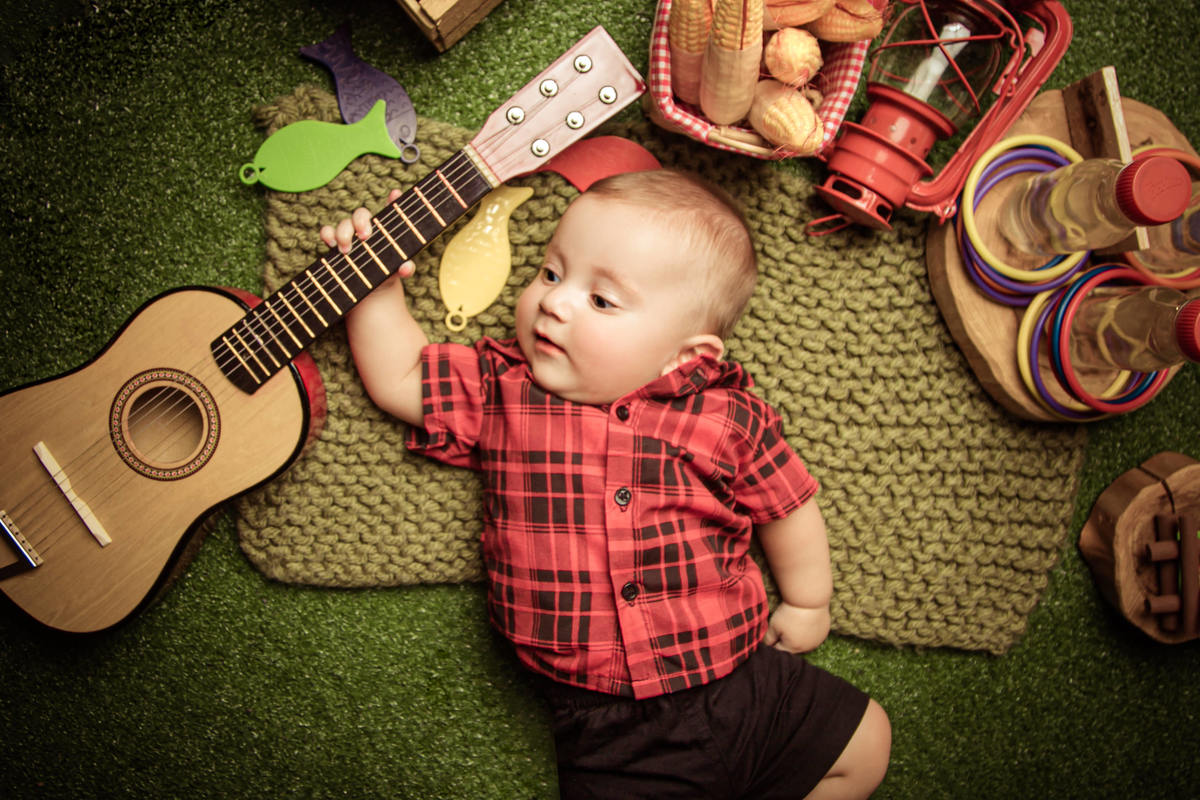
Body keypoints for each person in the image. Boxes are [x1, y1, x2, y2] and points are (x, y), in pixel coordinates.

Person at [321, 168, 891, 799]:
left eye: (601, 300)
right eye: (550, 273)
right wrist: (369, 291)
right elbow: (402, 376)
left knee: (865, 741)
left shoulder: (723, 416)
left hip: (739, 675)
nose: (554, 302)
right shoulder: (503, 389)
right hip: (607, 722)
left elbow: (787, 504)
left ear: (685, 356)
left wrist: (809, 601)